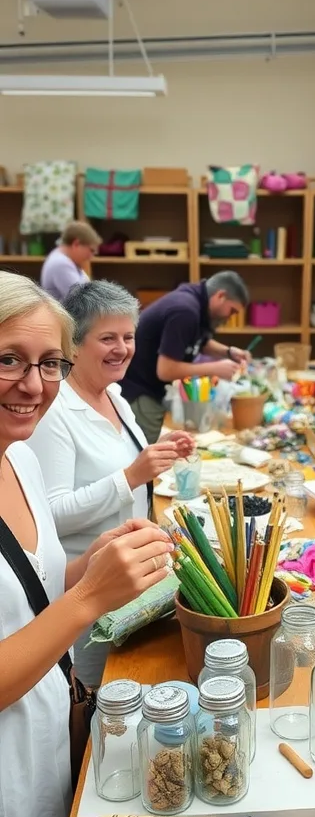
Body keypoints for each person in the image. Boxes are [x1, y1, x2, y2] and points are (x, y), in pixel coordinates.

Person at [0, 272, 172, 817]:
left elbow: (33, 578)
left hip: (43, 766)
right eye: (9, 358)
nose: (32, 385)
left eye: (48, 363)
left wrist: (92, 565)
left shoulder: (19, 457)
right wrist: (89, 601)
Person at [29, 280, 194, 687]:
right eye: (107, 338)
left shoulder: (115, 397)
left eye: (128, 336)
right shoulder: (56, 412)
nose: (122, 348)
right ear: (75, 345)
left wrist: (160, 450)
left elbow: (125, 467)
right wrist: (132, 475)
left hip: (134, 589)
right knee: (97, 694)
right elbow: (49, 516)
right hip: (88, 595)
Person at [121, 271, 252, 443]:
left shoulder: (196, 301)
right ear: (220, 296)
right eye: (232, 311)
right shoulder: (185, 311)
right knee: (140, 453)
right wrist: (215, 369)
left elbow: (196, 341)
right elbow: (166, 370)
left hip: (145, 386)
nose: (229, 317)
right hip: (138, 391)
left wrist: (228, 352)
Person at [40, 220, 101, 303]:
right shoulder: (61, 263)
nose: (91, 256)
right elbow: (82, 301)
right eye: (91, 250)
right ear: (76, 244)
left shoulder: (61, 258)